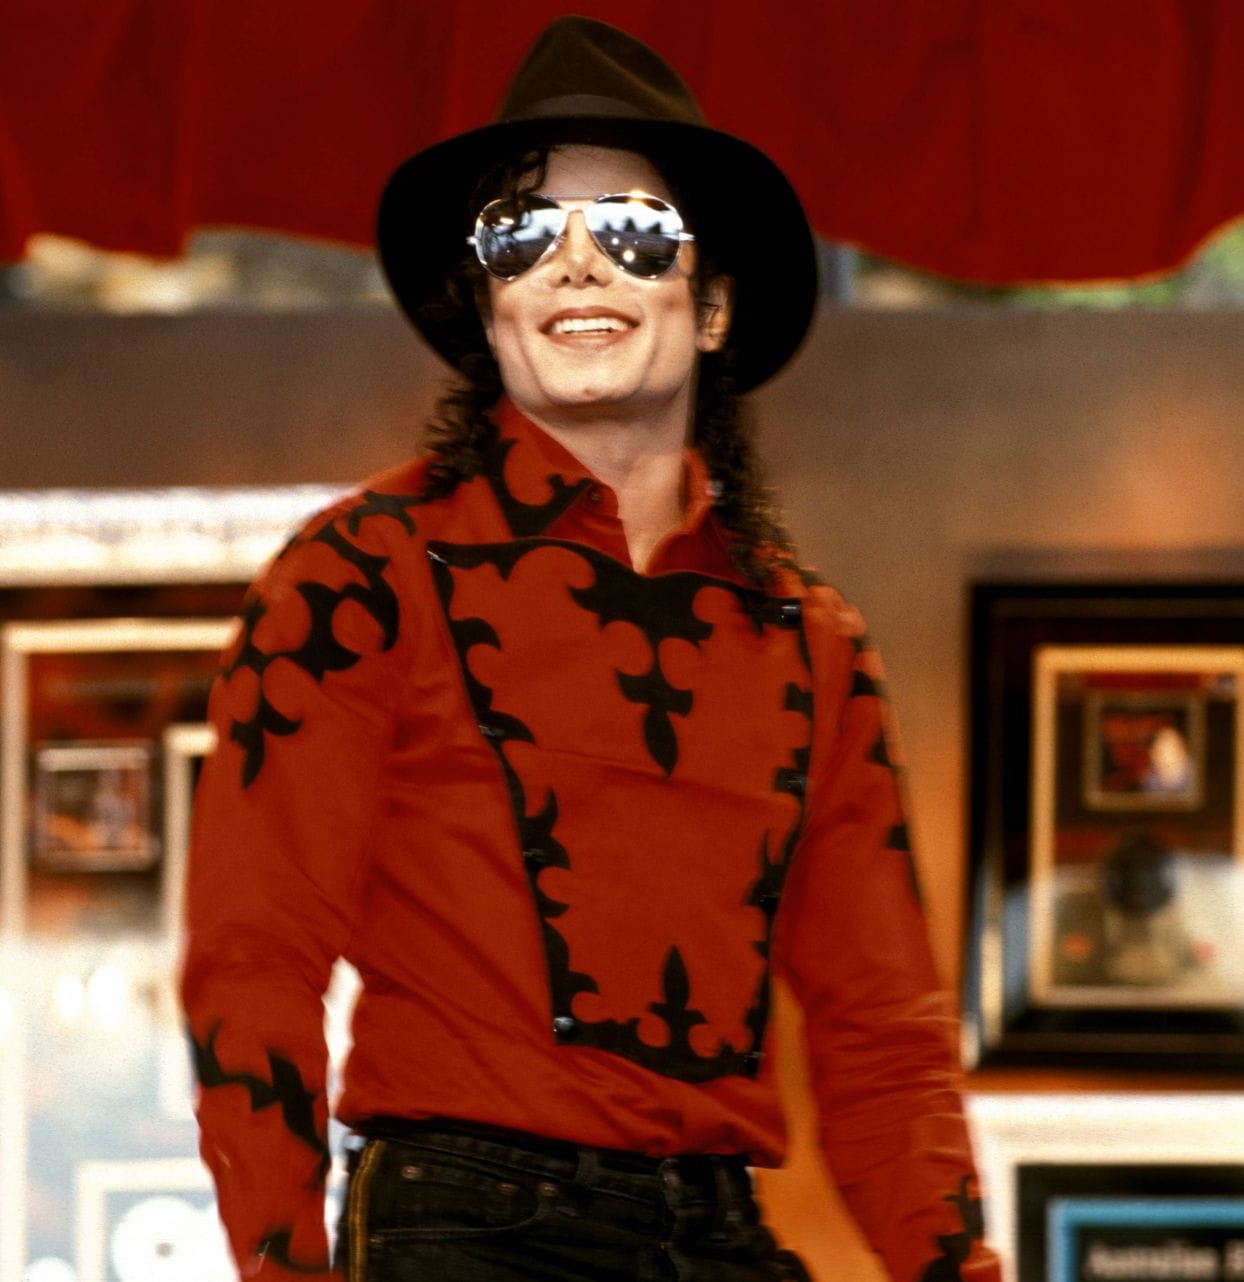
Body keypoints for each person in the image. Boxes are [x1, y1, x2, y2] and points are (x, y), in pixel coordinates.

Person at [179, 17, 999, 1282]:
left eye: (632, 231)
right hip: (464, 1229)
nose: (575, 266)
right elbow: (253, 958)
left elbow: (882, 1029)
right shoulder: (362, 575)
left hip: (720, 1229)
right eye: (520, 234)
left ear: (711, 304)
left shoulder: (812, 643)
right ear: (487, 304)